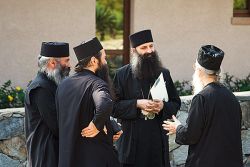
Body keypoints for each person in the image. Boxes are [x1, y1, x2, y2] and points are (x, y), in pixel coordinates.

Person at [163, 45, 243, 167]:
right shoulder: (231, 97)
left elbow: (191, 135)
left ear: (199, 71)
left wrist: (177, 127)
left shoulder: (201, 98)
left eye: (195, 67)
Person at [112, 29, 181, 167]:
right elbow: (113, 107)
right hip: (132, 144)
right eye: (144, 47)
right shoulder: (122, 75)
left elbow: (175, 103)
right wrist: (137, 104)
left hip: (156, 142)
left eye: (151, 46)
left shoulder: (164, 73)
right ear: (134, 51)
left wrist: (163, 106)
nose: (149, 51)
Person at [56, 37, 120, 167]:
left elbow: (80, 113)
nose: (106, 62)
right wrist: (97, 124)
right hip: (93, 158)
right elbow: (104, 104)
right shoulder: (97, 84)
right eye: (104, 58)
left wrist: (109, 125)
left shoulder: (63, 84)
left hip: (68, 157)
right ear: (94, 60)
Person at [24, 42, 71, 167]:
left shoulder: (51, 84)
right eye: (66, 61)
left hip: (54, 154)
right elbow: (57, 124)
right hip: (45, 156)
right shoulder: (41, 88)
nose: (69, 65)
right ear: (52, 63)